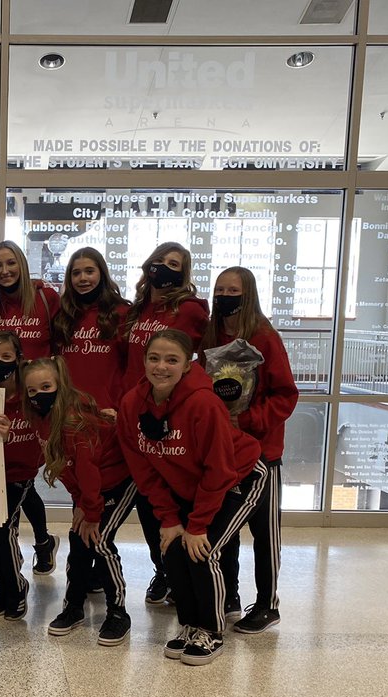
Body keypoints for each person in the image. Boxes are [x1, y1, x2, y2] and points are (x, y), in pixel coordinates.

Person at [116, 329, 268, 665]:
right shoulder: (131, 404)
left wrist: (197, 525)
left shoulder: (203, 403)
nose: (161, 367)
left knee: (203, 549)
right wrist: (170, 520)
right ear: (143, 361)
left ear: (187, 366)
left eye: (172, 360)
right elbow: (144, 469)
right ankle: (189, 624)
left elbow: (219, 470)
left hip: (238, 477)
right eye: (154, 358)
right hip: (187, 484)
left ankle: (211, 630)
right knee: (171, 549)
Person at [202, 266, 299, 633]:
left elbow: (286, 395)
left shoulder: (264, 337)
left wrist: (245, 422)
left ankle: (267, 604)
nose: (224, 295)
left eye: (232, 289)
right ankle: (229, 595)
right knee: (223, 526)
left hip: (262, 452)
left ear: (248, 294)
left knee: (264, 532)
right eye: (219, 289)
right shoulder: (211, 334)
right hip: (222, 452)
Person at [22, 357, 137, 646]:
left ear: (60, 385)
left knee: (98, 540)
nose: (39, 395)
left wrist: (91, 511)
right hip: (89, 492)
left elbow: (88, 469)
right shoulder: (42, 420)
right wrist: (81, 503)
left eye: (46, 386)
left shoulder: (74, 421)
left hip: (118, 481)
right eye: (32, 391)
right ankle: (74, 606)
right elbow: (67, 468)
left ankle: (118, 612)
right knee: (78, 541)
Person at [122, 241, 210, 607]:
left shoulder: (189, 309)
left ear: (184, 272)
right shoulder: (138, 309)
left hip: (173, 414)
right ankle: (163, 569)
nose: (165, 268)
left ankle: (182, 575)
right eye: (159, 261)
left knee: (173, 494)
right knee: (147, 500)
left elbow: (198, 356)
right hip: (138, 409)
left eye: (174, 264)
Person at [0, 240, 60, 576]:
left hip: (34, 398)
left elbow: (61, 345)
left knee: (24, 475)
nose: (5, 271)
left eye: (10, 263)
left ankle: (33, 545)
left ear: (22, 264)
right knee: (13, 479)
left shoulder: (45, 298)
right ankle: (40, 542)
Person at [0, 331, 43, 621]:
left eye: (6, 357)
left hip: (20, 475)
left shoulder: (32, 394)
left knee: (3, 531)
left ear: (19, 359)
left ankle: (17, 587)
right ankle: (5, 587)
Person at [52, 246, 129, 414]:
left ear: (101, 273)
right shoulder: (62, 315)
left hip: (108, 411)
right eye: (76, 273)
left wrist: (121, 405)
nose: (82, 278)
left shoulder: (121, 313)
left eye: (89, 271)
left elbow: (130, 365)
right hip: (68, 411)